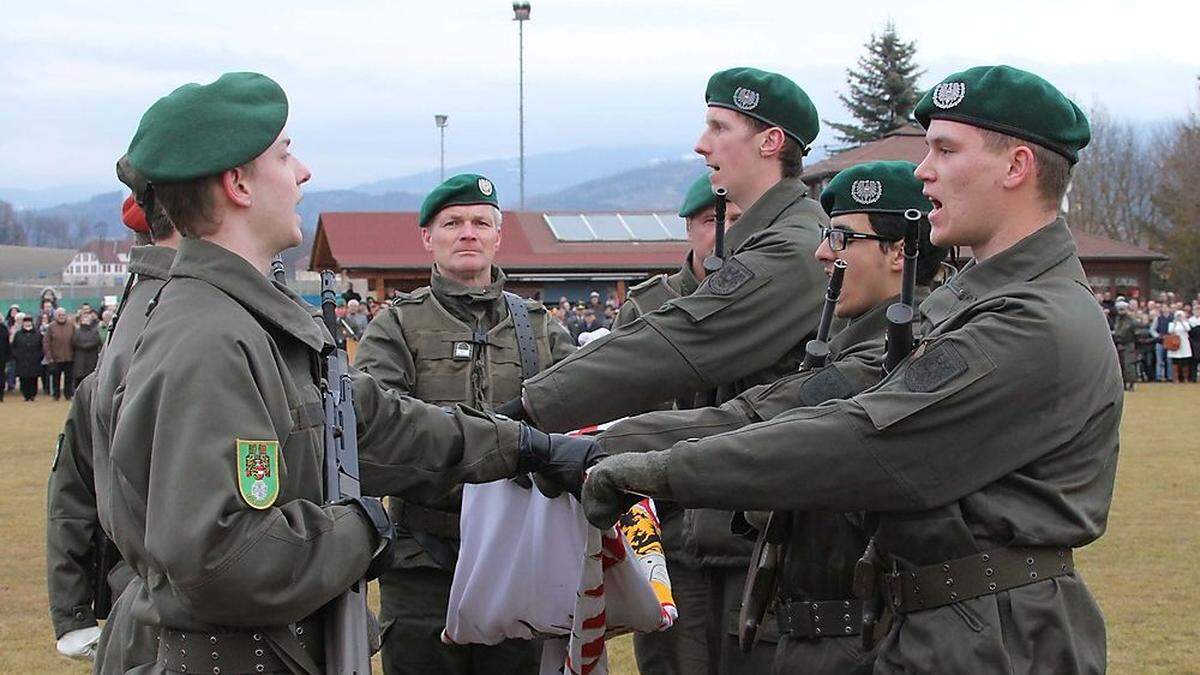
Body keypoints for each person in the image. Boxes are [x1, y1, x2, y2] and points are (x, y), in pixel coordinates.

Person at [584, 65, 1119, 675]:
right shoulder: (970, 302)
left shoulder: (1033, 319)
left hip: (998, 636)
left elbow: (861, 440)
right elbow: (805, 407)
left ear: (1016, 166)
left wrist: (660, 469)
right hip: (944, 624)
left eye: (945, 150)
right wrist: (616, 448)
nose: (923, 171)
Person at [93, 72, 600, 675]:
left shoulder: (250, 323)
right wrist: (366, 526)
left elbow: (373, 422)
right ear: (237, 184)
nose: (302, 172)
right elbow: (226, 557)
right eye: (284, 155)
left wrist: (528, 447)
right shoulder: (209, 339)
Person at [503, 66, 832, 675]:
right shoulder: (759, 243)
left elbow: (680, 343)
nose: (701, 144)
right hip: (692, 526)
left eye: (718, 126)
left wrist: (529, 410)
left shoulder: (791, 248)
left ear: (770, 142)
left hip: (765, 537)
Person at [600, 161, 945, 675]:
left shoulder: (911, 347)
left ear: (900, 252)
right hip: (785, 595)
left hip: (858, 621)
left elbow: (766, 415)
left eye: (842, 238)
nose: (823, 252)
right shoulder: (851, 334)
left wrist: (604, 451)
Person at [355, 173, 576, 675]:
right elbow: (374, 433)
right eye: (452, 222)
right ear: (427, 238)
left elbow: (581, 421)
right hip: (423, 564)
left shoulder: (540, 328)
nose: (468, 232)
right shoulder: (395, 326)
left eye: (481, 222)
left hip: (519, 561)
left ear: (499, 237)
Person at [610, 172, 744, 675]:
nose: (726, 231)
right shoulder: (648, 308)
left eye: (736, 219)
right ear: (688, 228)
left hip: (744, 525)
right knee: (673, 660)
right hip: (668, 526)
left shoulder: (773, 302)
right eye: (713, 220)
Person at [12, 315, 43, 401]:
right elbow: (14, 347)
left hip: (34, 360)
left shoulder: (37, 334)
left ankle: (33, 395)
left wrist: (39, 356)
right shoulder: (18, 334)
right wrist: (17, 356)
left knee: (33, 379)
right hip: (22, 361)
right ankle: (26, 395)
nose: (27, 323)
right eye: (25, 321)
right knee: (23, 379)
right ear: (23, 323)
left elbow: (42, 347)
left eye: (29, 321)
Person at [1111, 301, 1138, 391]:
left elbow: (1136, 334)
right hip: (1118, 344)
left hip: (1129, 344)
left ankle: (1131, 384)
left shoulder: (1132, 321)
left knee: (1129, 365)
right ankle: (1124, 384)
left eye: (1122, 309)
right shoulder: (1117, 319)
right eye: (1119, 309)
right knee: (1120, 365)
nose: (1121, 311)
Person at [71, 310, 102, 387]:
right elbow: (74, 342)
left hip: (92, 358)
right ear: (81, 320)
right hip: (80, 358)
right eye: (84, 318)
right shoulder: (76, 331)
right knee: (79, 379)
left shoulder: (95, 331)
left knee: (91, 378)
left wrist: (86, 345)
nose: (86, 320)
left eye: (87, 318)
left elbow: (97, 341)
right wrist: (84, 346)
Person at [1166, 309, 1193, 382]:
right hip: (1175, 344)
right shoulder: (1171, 323)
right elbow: (1170, 331)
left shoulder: (1186, 323)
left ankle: (1185, 378)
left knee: (1185, 361)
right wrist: (1175, 323)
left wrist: (1182, 322)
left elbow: (1188, 329)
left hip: (1184, 343)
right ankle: (1176, 378)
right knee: (1175, 361)